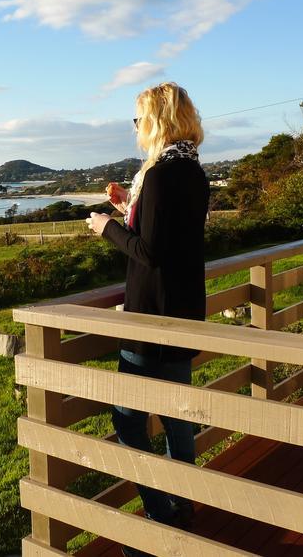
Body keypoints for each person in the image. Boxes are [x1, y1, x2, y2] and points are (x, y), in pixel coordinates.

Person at [86, 82, 209, 549]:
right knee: (178, 418)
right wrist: (129, 208)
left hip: (149, 318)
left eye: (139, 119)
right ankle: (184, 503)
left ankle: (159, 514)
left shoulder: (159, 176)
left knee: (129, 422)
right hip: (182, 312)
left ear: (156, 121)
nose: (136, 128)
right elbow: (170, 236)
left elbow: (150, 252)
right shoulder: (193, 171)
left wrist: (108, 228)